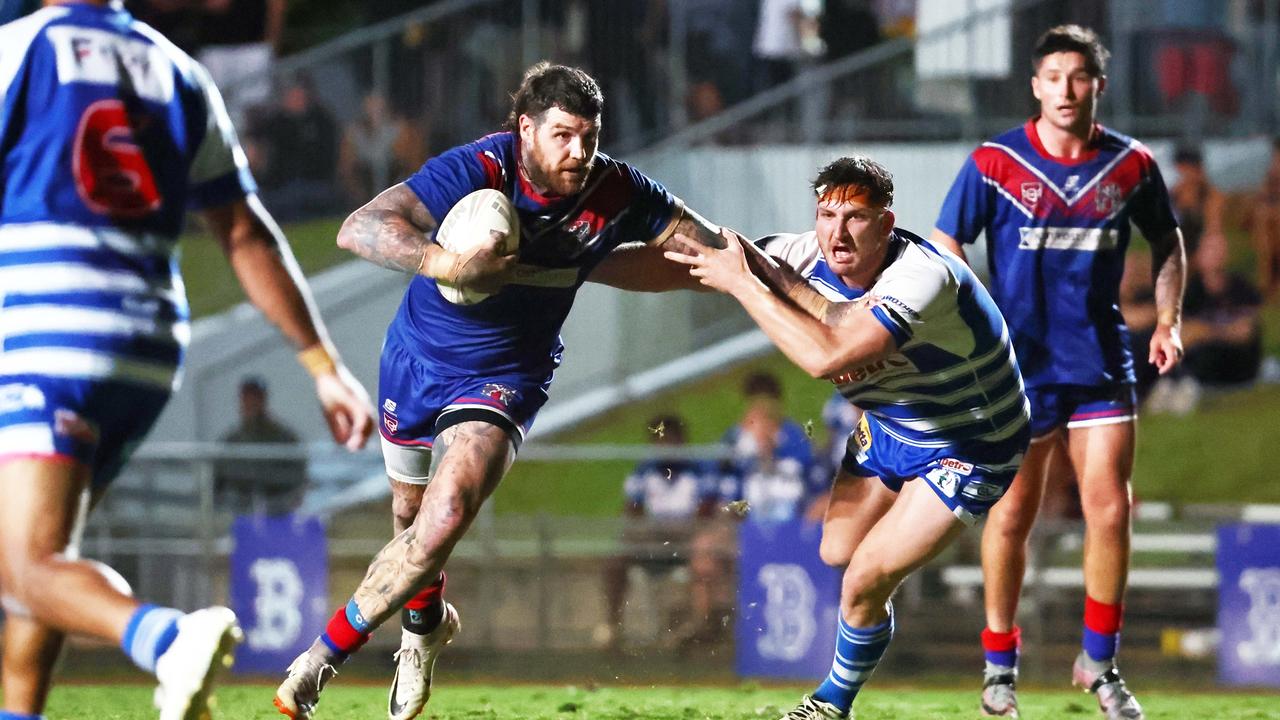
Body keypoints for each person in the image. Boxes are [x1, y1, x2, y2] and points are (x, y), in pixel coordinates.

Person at [273, 62, 729, 720]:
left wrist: (790, 271)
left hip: (508, 374)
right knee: (411, 523)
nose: (579, 152)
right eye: (564, 135)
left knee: (446, 513)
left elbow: (707, 249)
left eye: (590, 137)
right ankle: (424, 633)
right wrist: (449, 263)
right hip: (416, 359)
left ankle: (320, 659)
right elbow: (359, 227)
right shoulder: (480, 168)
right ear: (526, 130)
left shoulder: (616, 189)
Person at [0, 3, 374, 720]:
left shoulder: (17, 52)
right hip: (145, 343)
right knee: (46, 556)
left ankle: (169, 639)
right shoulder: (175, 70)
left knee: (25, 564)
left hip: (49, 328)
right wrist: (322, 365)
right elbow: (244, 233)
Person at [666, 155, 1030, 720]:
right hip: (890, 428)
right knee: (835, 550)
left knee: (864, 576)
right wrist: (566, 261)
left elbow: (827, 353)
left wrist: (743, 283)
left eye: (855, 217)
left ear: (886, 224)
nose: (837, 232)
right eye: (825, 214)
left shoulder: (924, 276)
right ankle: (868, 619)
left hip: (972, 445)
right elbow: (680, 252)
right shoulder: (798, 256)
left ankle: (831, 705)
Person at [930, 25, 1186, 720]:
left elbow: (1168, 238)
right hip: (1017, 368)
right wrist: (963, 317)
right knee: (1012, 512)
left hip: (1100, 360)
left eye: (1079, 77)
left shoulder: (1130, 166)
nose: (1066, 90)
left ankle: (1099, 663)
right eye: (1053, 77)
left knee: (1110, 506)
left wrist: (1167, 319)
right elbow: (946, 240)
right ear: (1036, 86)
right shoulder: (993, 163)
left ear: (1097, 84)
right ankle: (999, 669)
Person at [602, 413, 727, 651]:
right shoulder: (643, 472)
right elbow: (632, 512)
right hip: (655, 539)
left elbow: (705, 513)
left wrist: (678, 531)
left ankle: (702, 628)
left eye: (671, 439)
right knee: (616, 558)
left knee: (705, 555)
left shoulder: (699, 471)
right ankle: (612, 626)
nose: (666, 446)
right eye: (659, 439)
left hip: (687, 539)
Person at [720, 372, 823, 524]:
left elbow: (813, 477)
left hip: (794, 516)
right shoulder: (734, 439)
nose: (762, 408)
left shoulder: (795, 435)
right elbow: (724, 486)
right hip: (746, 521)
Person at [215, 377, 307, 515]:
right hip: (239, 509)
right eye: (247, 397)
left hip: (277, 508)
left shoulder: (284, 437)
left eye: (255, 397)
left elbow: (297, 475)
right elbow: (217, 479)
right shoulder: (232, 440)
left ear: (263, 399)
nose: (251, 402)